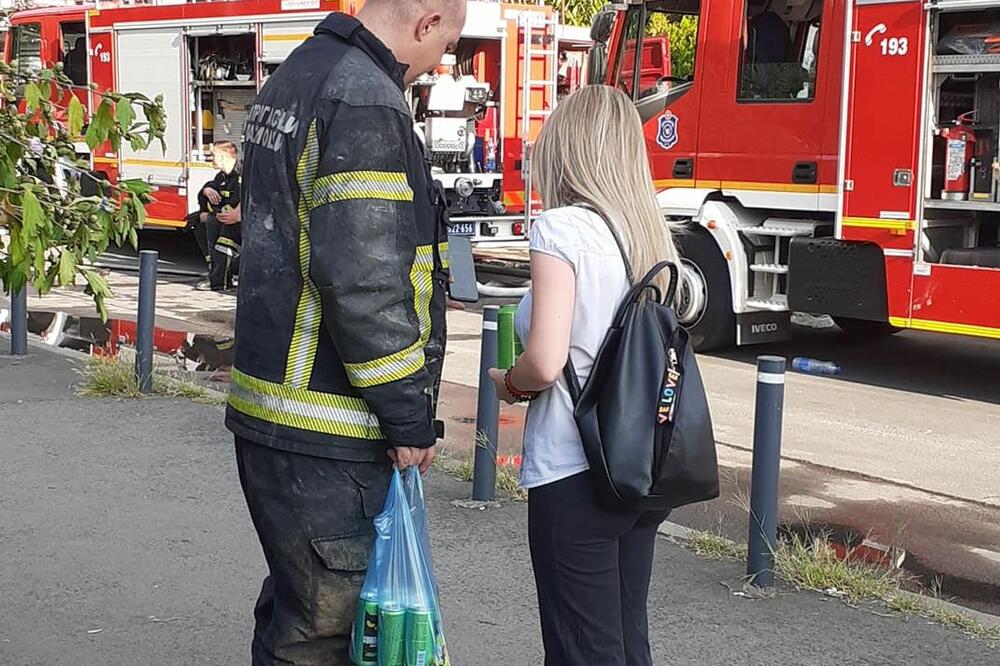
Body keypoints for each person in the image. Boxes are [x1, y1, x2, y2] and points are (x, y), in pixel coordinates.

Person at [226, 1, 466, 664]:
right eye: (446, 42)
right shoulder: (366, 101)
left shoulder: (296, 75)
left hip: (272, 413)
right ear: (426, 24)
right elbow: (365, 283)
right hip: (329, 431)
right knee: (325, 635)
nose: (437, 63)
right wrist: (408, 417)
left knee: (294, 615)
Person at [488, 85, 682, 666]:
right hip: (640, 467)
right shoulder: (647, 229)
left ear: (568, 148)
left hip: (575, 469)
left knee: (581, 651)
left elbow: (546, 361)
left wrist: (510, 384)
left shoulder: (563, 229)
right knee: (626, 641)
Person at [190, 141, 242, 291]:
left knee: (216, 228)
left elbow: (235, 204)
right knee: (196, 221)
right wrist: (206, 189)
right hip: (228, 218)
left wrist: (212, 215)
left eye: (213, 155)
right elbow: (215, 190)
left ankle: (220, 282)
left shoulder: (240, 175)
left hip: (243, 222)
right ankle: (214, 270)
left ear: (224, 156)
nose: (210, 158)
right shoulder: (222, 176)